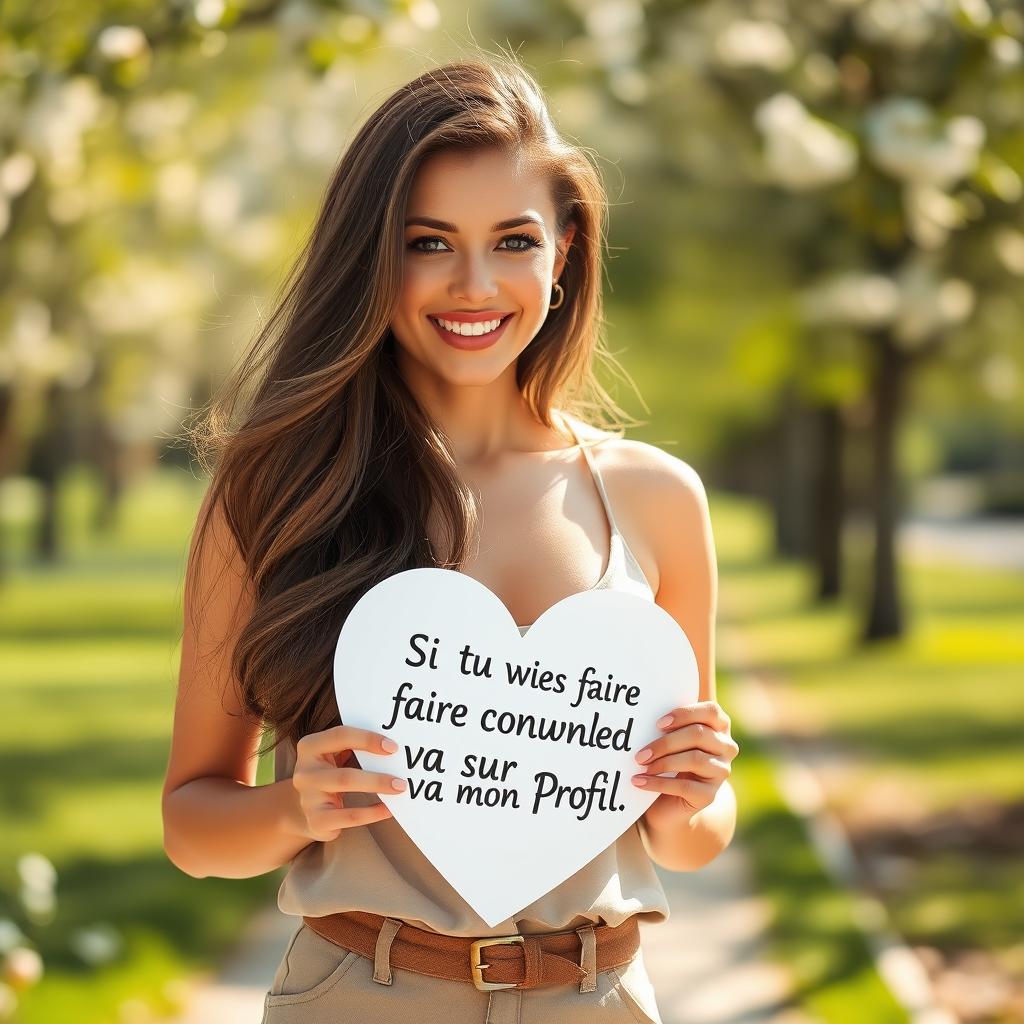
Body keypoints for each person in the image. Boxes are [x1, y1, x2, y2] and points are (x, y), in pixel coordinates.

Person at [162, 51, 739, 1024]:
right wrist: (290, 807)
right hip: (360, 995)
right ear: (371, 256)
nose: (473, 285)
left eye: (511, 240)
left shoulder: (656, 500)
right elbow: (191, 821)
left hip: (596, 995)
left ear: (563, 252)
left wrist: (692, 799)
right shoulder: (276, 493)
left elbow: (691, 837)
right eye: (428, 242)